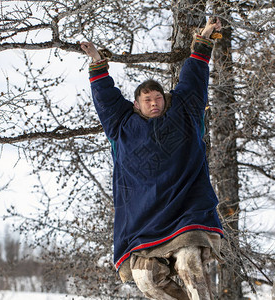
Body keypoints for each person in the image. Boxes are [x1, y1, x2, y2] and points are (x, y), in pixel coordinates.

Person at [80, 18, 223, 300]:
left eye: (158, 98)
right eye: (147, 100)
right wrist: (97, 61)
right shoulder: (122, 126)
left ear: (165, 100)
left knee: (188, 263)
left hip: (186, 214)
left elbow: (194, 80)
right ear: (136, 104)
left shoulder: (184, 114)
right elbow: (106, 98)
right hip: (143, 225)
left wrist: (204, 39)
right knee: (146, 279)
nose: (154, 103)